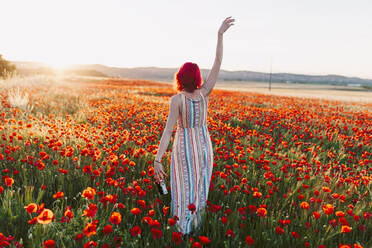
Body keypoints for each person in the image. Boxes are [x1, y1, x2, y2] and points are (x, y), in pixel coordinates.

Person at [153, 16, 235, 235]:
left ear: (180, 77)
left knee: (183, 189)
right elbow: (218, 63)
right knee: (199, 189)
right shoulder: (204, 93)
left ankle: (182, 231)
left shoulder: (177, 100)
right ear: (197, 77)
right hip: (204, 148)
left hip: (184, 150)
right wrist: (220, 35)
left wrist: (157, 158)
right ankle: (197, 229)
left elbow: (169, 131)